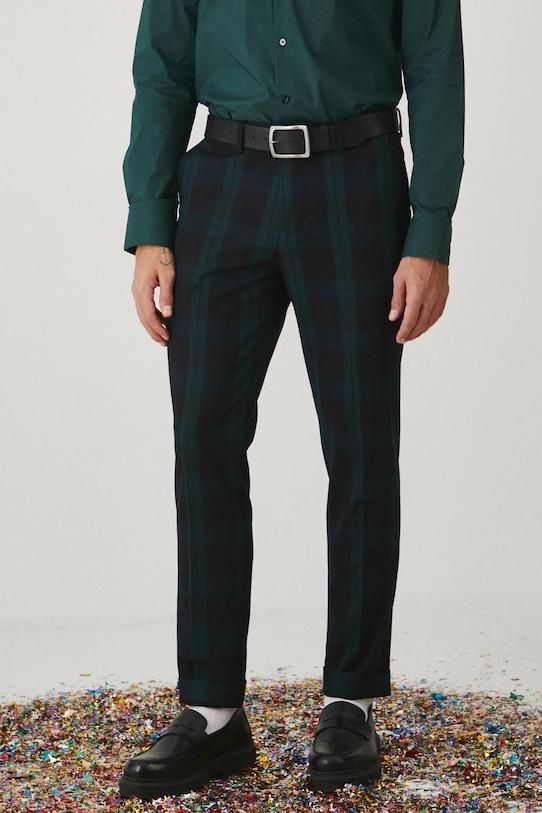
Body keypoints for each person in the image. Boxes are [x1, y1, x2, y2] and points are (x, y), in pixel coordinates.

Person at [118, 0, 465, 800]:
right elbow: (162, 63)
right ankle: (212, 711)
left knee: (361, 443)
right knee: (203, 438)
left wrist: (430, 232)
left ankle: (350, 701)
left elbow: (435, 66)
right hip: (223, 184)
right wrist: (151, 223)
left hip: (356, 179)